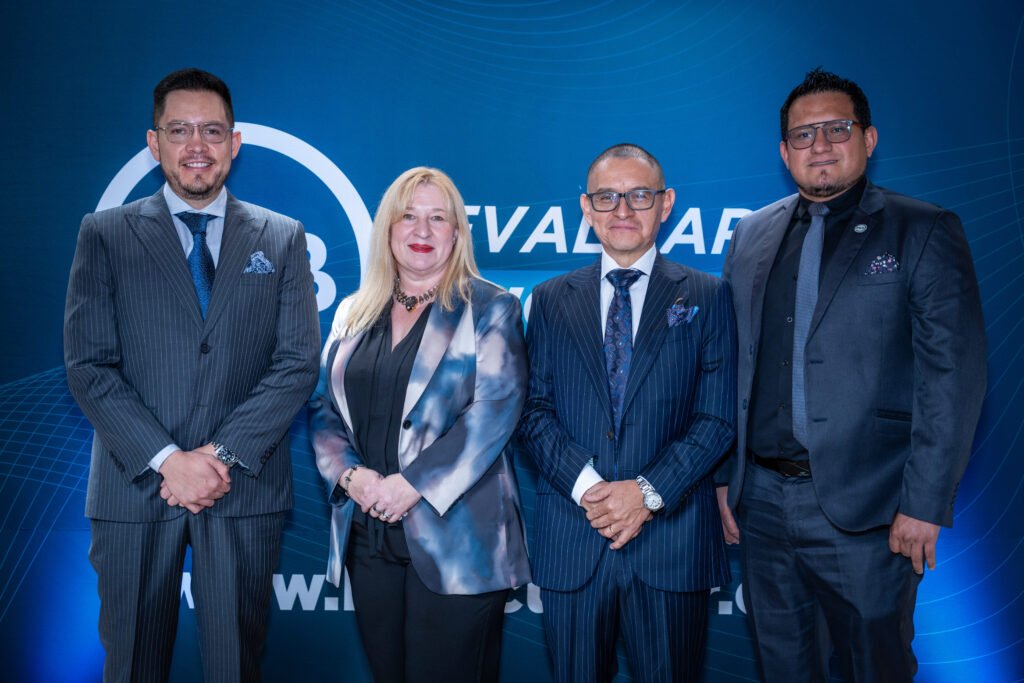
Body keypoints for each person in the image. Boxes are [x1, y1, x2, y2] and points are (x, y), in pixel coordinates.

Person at [715, 68, 987, 682]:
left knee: (875, 669)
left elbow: (952, 377)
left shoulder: (922, 228)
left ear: (868, 138)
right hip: (762, 504)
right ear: (784, 151)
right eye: (803, 134)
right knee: (784, 669)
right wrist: (724, 479)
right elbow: (733, 366)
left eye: (836, 129)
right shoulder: (750, 234)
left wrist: (924, 504)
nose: (819, 145)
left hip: (872, 511)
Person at [63, 68, 321, 682]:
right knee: (132, 666)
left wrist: (218, 456)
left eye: (212, 130)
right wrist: (167, 460)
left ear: (235, 142)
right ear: (154, 144)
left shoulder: (282, 237)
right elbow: (89, 364)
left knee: (236, 666)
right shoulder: (104, 234)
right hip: (134, 489)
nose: (196, 146)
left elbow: (297, 363)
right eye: (179, 131)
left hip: (242, 489)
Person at [518, 143, 737, 682]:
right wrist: (593, 491)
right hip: (575, 537)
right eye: (606, 197)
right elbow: (533, 411)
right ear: (586, 208)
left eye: (639, 195)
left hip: (672, 542)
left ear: (666, 203)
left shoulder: (708, 295)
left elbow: (717, 418)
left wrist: (645, 493)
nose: (622, 210)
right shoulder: (549, 299)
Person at [309, 166, 531, 683]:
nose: (422, 231)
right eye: (408, 216)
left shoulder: (490, 307)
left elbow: (494, 412)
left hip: (459, 542)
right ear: (388, 228)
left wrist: (411, 484)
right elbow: (323, 407)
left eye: (438, 218)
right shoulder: (353, 312)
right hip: (369, 533)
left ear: (456, 233)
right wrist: (351, 477)